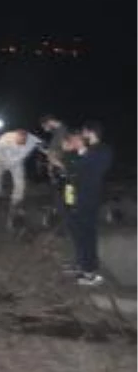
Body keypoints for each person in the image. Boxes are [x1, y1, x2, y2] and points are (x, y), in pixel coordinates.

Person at [64, 122, 113, 287]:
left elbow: (87, 170)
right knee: (80, 233)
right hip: (80, 197)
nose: (81, 136)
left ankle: (90, 273)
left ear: (91, 132)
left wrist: (80, 153)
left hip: (88, 198)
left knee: (87, 234)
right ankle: (82, 265)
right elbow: (75, 171)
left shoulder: (101, 150)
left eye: (83, 132)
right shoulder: (90, 151)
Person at [0, 129, 40, 217]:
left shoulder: (32, 139)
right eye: (19, 140)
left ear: (27, 138)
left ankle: (15, 205)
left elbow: (42, 145)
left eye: (24, 141)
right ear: (15, 136)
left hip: (16, 163)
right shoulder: (6, 138)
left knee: (20, 183)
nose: (22, 143)